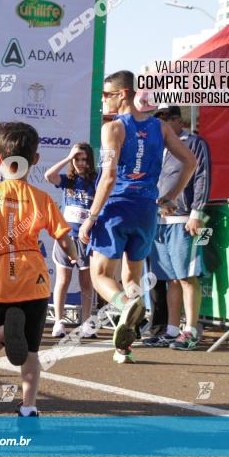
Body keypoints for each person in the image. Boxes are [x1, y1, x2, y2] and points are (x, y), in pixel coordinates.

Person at [78, 71, 197, 365]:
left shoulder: (113, 129)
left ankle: (127, 304)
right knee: (130, 277)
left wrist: (91, 216)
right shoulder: (161, 127)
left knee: (101, 276)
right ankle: (124, 348)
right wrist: (168, 197)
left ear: (123, 94)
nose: (103, 100)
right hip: (145, 210)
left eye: (106, 95)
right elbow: (190, 162)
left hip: (115, 207)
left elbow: (108, 175)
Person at [0, 122, 76, 417]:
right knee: (32, 351)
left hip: (0, 276)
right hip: (33, 276)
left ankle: (1, 329)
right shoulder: (42, 198)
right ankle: (29, 406)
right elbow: (64, 236)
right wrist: (73, 257)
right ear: (35, 159)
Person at [144, 106, 211, 351]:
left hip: (183, 218)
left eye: (162, 119)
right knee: (170, 278)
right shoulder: (157, 147)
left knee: (186, 276)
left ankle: (191, 330)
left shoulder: (194, 143)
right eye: (156, 120)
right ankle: (172, 330)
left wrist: (196, 213)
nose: (158, 125)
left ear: (176, 120)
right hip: (158, 220)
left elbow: (202, 176)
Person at [44, 142, 96, 338]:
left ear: (90, 161)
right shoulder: (68, 180)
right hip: (66, 238)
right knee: (63, 279)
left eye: (84, 159)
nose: (81, 163)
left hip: (87, 238)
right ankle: (58, 321)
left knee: (86, 282)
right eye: (77, 159)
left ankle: (86, 323)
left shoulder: (96, 180)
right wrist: (68, 157)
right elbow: (48, 176)